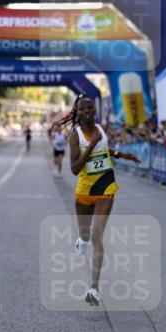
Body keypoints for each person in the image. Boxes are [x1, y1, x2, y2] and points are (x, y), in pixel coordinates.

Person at [57, 96, 141, 306]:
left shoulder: (100, 129)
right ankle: (81, 239)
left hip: (106, 187)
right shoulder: (75, 135)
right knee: (85, 235)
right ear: (78, 112)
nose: (88, 111)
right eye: (84, 108)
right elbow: (75, 168)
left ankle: (94, 287)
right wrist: (91, 143)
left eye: (90, 108)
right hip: (85, 191)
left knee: (97, 236)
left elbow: (104, 149)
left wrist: (121, 154)